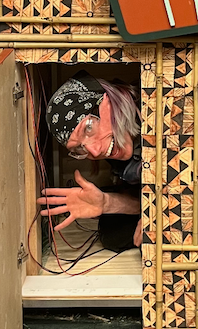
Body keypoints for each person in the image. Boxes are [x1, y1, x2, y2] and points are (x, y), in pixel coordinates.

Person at [37, 70, 142, 252]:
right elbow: (142, 198)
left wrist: (160, 213)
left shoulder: (162, 106)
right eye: (79, 148)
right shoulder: (118, 154)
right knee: (113, 234)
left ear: (107, 101)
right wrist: (107, 203)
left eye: (88, 128)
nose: (94, 151)